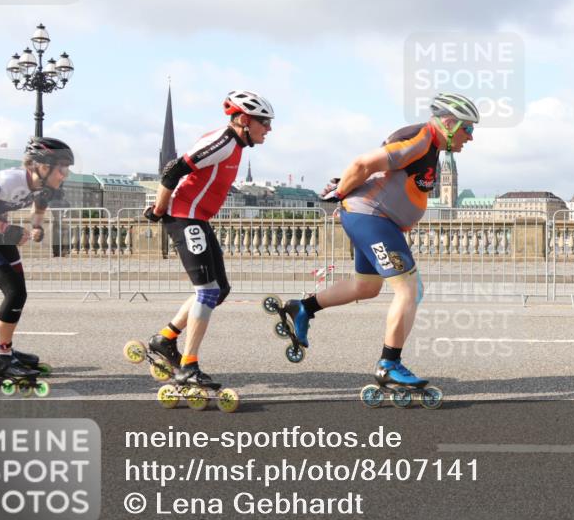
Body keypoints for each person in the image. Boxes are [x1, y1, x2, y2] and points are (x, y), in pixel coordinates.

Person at [280, 92, 479, 403]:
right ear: (450, 123)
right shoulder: (421, 139)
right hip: (373, 218)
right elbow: (363, 163)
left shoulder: (430, 146)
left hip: (375, 219)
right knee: (410, 289)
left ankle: (303, 307)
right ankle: (389, 364)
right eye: (468, 128)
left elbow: (383, 170)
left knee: (367, 287)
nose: (471, 137)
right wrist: (340, 192)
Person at [142, 90, 273, 391]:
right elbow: (173, 170)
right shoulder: (224, 142)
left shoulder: (236, 144)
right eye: (264, 122)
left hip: (198, 218)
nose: (268, 129)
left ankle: (165, 339)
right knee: (208, 290)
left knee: (220, 289)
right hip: (184, 216)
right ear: (244, 120)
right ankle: (188, 366)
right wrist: (159, 209)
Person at [0, 137, 74, 388]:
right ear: (42, 166)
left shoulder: (46, 186)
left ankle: (3, 350)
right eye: (61, 168)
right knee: (14, 290)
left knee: (20, 292)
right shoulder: (7, 181)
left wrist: (37, 227)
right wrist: (3, 227)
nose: (65, 174)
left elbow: (38, 209)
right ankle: (3, 358)